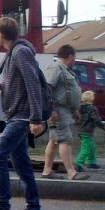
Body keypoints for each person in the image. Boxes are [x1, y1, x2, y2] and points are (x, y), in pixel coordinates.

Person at [0, 16, 48, 210]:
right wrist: (0, 87)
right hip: (16, 114)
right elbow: (20, 83)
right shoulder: (12, 54)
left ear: (1, 34)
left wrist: (36, 118)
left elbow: (33, 85)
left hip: (21, 116)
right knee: (22, 164)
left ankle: (2, 208)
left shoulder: (20, 52)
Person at [40, 44, 87, 180]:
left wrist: (74, 110)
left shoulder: (63, 69)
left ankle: (47, 171)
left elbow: (65, 91)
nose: (75, 61)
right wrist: (52, 110)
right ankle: (71, 172)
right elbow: (47, 89)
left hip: (64, 110)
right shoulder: (56, 68)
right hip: (58, 110)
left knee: (54, 140)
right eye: (74, 57)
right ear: (70, 56)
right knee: (65, 139)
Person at [75, 90, 105, 170]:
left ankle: (91, 162)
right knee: (86, 148)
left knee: (92, 146)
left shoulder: (79, 107)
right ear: (92, 98)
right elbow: (96, 119)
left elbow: (76, 118)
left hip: (81, 130)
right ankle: (78, 163)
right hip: (87, 131)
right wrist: (103, 127)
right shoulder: (92, 108)